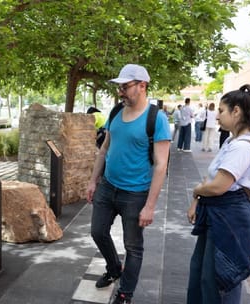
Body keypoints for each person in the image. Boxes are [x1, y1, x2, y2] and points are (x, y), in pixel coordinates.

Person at [86, 64, 171, 304]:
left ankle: (125, 293)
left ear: (142, 86)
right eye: (120, 87)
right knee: (97, 231)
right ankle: (114, 269)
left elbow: (161, 165)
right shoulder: (115, 112)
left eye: (125, 86)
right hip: (108, 186)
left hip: (135, 194)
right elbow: (104, 149)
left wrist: (150, 206)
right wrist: (93, 181)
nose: (121, 92)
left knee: (133, 246)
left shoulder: (157, 119)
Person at [186, 84, 250, 304]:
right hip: (219, 216)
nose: (217, 116)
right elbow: (212, 177)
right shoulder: (232, 142)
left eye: (221, 111)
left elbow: (219, 185)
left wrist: (196, 191)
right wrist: (196, 200)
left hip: (231, 221)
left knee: (219, 282)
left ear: (236, 111)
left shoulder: (244, 147)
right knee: (203, 276)